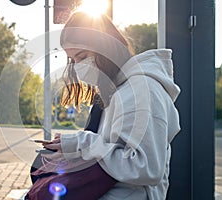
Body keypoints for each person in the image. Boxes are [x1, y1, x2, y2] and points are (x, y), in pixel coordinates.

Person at [42, 11, 181, 200]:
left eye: (82, 56)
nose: (77, 66)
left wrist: (83, 143)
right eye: (73, 60)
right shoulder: (119, 91)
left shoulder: (142, 90)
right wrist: (73, 146)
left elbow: (145, 167)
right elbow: (111, 151)